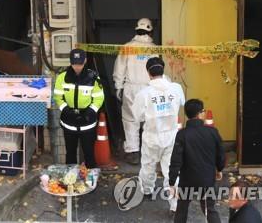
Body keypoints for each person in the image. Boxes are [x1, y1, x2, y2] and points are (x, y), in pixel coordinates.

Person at [132, 57, 185, 212]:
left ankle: (147, 191)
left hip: (152, 136)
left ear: (148, 73)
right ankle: (175, 205)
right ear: (163, 70)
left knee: (148, 166)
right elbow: (182, 102)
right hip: (172, 136)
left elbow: (137, 117)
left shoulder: (144, 93)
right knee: (171, 169)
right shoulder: (176, 88)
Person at [169, 99, 225, 223]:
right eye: (203, 111)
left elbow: (176, 160)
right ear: (200, 113)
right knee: (209, 209)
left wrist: (172, 181)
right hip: (207, 178)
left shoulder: (182, 135)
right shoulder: (212, 132)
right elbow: (221, 154)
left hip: (187, 179)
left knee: (182, 209)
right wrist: (219, 169)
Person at [113, 18, 157, 164]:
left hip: (131, 88)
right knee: (149, 121)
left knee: (130, 120)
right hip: (149, 88)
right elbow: (157, 69)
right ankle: (148, 152)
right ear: (150, 31)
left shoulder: (127, 47)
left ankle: (133, 153)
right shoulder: (154, 49)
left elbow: (119, 69)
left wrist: (118, 86)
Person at [54, 49, 105, 168]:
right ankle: (70, 179)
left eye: (80, 63)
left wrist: (91, 111)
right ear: (70, 62)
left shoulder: (93, 77)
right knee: (70, 153)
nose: (77, 67)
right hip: (69, 121)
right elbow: (57, 96)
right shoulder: (62, 77)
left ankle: (90, 180)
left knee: (89, 153)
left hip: (87, 121)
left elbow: (99, 97)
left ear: (85, 61)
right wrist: (66, 109)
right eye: (74, 63)